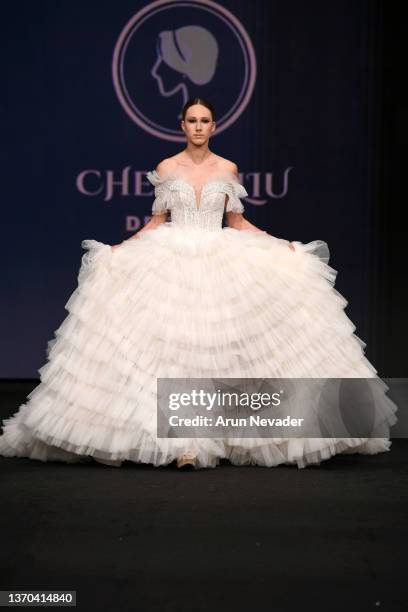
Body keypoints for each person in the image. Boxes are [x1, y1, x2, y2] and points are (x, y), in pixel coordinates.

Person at [0, 97, 397, 470]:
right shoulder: (168, 168)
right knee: (171, 348)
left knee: (221, 350)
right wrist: (118, 250)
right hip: (170, 258)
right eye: (192, 121)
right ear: (182, 125)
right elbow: (157, 220)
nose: (198, 127)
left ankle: (221, 434)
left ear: (214, 126)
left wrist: (281, 246)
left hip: (219, 258)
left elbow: (236, 222)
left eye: (205, 121)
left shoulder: (227, 169)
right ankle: (182, 442)